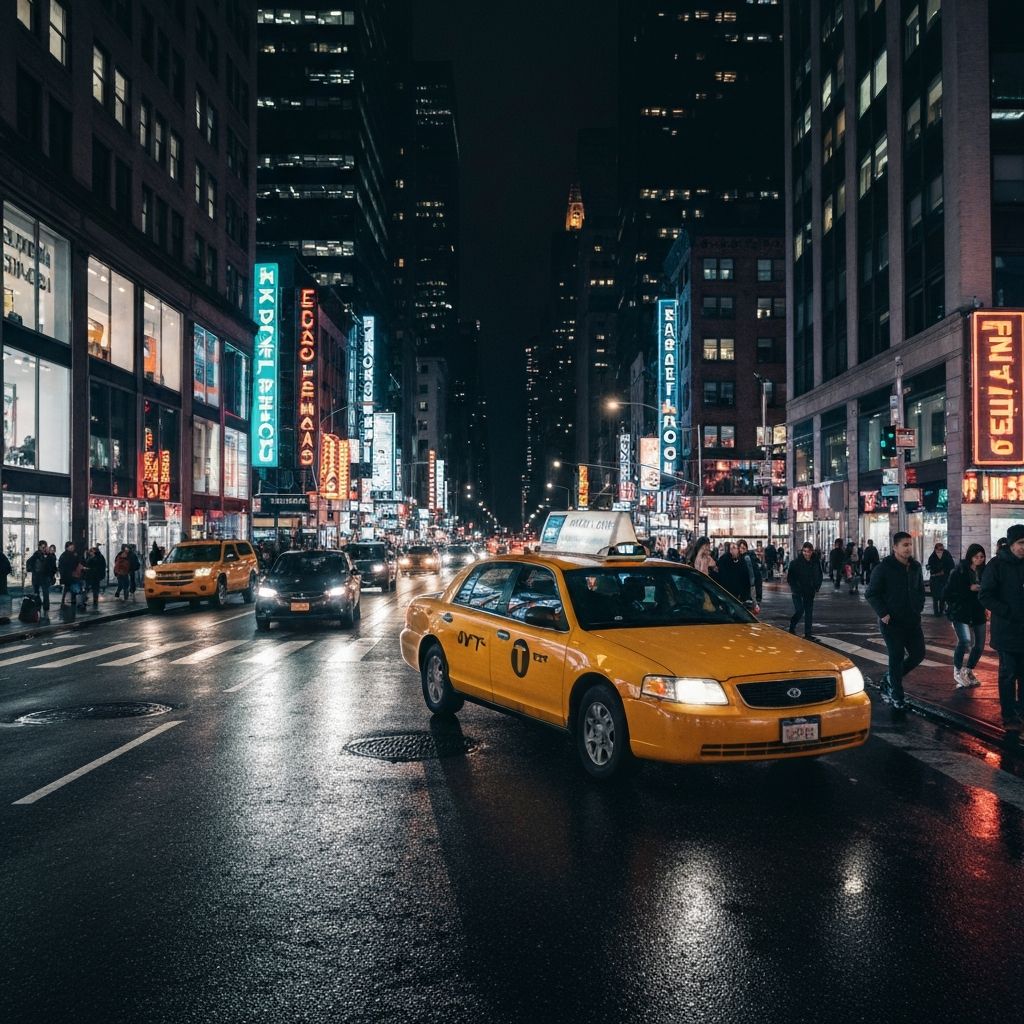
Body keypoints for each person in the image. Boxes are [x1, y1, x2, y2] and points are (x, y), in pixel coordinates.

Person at [866, 531, 927, 712]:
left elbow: (920, 590)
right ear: (895, 548)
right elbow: (871, 593)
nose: (909, 548)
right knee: (897, 657)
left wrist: (919, 607)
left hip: (912, 620)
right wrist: (883, 613)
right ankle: (897, 696)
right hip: (891, 623)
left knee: (918, 654)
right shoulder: (883, 568)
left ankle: (891, 678)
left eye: (910, 544)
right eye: (905, 545)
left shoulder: (915, 567)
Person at [979, 524, 1024, 729]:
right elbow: (985, 595)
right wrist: (1007, 611)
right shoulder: (997, 565)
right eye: (1021, 543)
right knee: (1008, 674)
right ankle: (1009, 714)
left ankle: (1021, 711)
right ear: (1011, 544)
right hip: (1006, 630)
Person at [943, 544, 986, 690]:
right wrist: (969, 589)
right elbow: (947, 593)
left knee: (979, 645)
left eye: (981, 557)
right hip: (960, 612)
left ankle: (968, 670)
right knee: (965, 640)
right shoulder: (959, 571)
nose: (979, 560)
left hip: (978, 612)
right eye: (976, 557)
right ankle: (957, 670)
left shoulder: (984, 571)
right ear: (970, 557)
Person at [787, 541, 822, 639]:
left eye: (808, 551)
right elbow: (790, 578)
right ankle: (792, 625)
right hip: (798, 592)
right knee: (799, 610)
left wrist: (817, 586)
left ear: (812, 552)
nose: (806, 553)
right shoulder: (795, 563)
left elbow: (819, 574)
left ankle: (808, 634)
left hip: (810, 591)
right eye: (804, 551)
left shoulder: (815, 562)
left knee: (809, 613)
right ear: (802, 551)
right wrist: (795, 588)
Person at [926, 541, 956, 616]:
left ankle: (942, 611)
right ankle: (936, 612)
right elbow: (930, 566)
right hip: (935, 579)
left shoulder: (946, 554)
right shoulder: (932, 557)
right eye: (939, 549)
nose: (941, 551)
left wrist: (945, 571)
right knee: (935, 597)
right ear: (935, 550)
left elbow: (952, 565)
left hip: (944, 578)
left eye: (942, 549)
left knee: (943, 595)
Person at [26, 541, 55, 613]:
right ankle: (38, 605)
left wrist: (49, 554)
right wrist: (32, 570)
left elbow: (52, 564)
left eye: (45, 547)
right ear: (39, 547)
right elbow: (29, 562)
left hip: (45, 576)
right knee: (37, 592)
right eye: (42, 547)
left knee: (45, 592)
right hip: (37, 576)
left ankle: (46, 607)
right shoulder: (36, 554)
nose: (44, 548)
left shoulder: (49, 555)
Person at [737, 539, 762, 613]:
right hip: (748, 589)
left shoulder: (747, 558)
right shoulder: (743, 558)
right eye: (740, 548)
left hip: (749, 588)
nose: (741, 550)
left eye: (743, 548)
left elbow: (753, 575)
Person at [57, 542, 84, 609]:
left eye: (73, 547)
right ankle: (77, 603)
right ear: (67, 547)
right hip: (70, 575)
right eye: (71, 547)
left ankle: (71, 602)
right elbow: (66, 566)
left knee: (70, 589)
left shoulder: (71, 555)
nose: (73, 548)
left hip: (70, 575)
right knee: (74, 588)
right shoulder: (66, 556)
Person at [85, 545, 107, 610]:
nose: (90, 553)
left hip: (93, 575)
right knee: (93, 589)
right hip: (94, 576)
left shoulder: (95, 557)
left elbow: (91, 565)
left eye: (91, 552)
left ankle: (90, 601)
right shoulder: (98, 557)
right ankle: (93, 601)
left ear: (93, 552)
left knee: (91, 588)